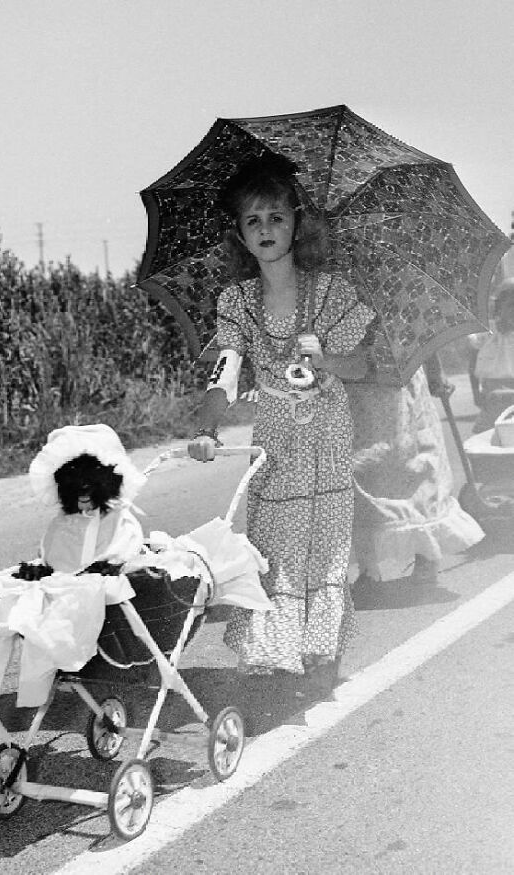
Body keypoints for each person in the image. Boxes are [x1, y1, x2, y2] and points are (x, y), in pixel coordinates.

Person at [188, 153, 374, 681]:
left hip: (330, 436)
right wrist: (205, 429)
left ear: (297, 222)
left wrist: (327, 358)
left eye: (276, 217)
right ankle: (277, 648)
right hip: (275, 437)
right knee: (273, 542)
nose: (265, 229)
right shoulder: (238, 302)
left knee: (327, 541)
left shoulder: (331, 291)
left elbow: (361, 366)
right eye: (253, 220)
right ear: (240, 236)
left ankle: (320, 653)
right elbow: (224, 375)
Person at [346, 351, 484, 587]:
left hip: (401, 381)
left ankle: (427, 556)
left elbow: (422, 329)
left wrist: (434, 370)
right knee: (363, 472)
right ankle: (368, 568)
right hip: (356, 385)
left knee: (417, 467)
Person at [470, 278, 514, 434]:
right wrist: (475, 393)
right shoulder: (487, 333)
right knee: (486, 434)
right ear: (498, 308)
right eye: (511, 305)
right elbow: (472, 364)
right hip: (492, 393)